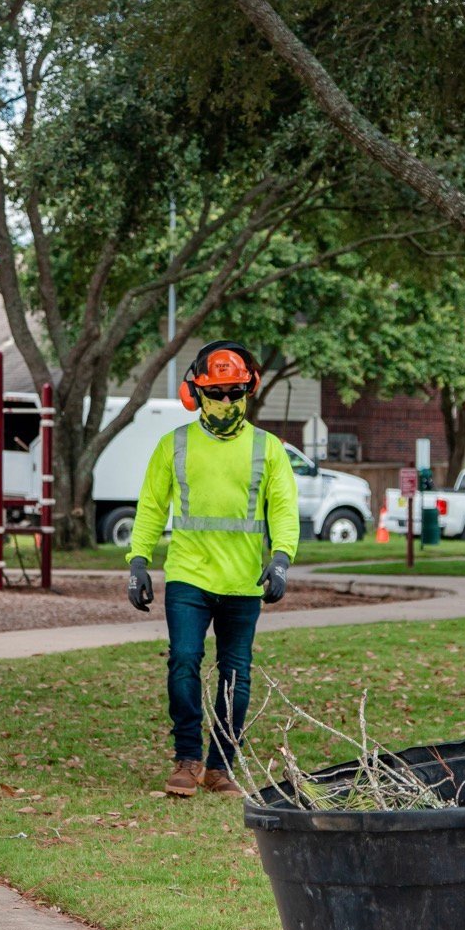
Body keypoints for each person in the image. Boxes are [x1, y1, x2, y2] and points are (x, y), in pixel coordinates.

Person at [125, 341, 299, 798]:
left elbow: (283, 510)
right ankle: (187, 760)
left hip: (244, 582)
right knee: (184, 660)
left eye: (234, 392)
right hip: (188, 575)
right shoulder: (175, 445)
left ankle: (222, 766)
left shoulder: (268, 448)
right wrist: (138, 561)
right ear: (196, 393)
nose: (226, 401)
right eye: (217, 392)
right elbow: (150, 508)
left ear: (249, 390)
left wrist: (280, 559)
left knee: (235, 673)